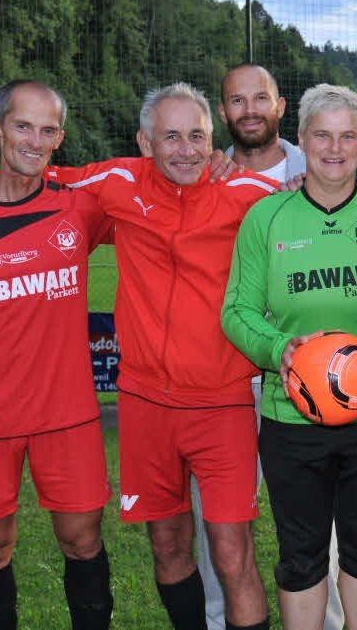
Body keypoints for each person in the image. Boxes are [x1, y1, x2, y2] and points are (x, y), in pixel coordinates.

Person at [221, 83, 357, 630]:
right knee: (300, 556)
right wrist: (277, 349)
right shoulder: (267, 218)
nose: (335, 148)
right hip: (291, 417)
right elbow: (237, 310)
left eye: (348, 136)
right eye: (323, 134)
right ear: (302, 139)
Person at [62, 83, 275, 630]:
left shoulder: (249, 193)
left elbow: (318, 199)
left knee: (232, 553)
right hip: (144, 402)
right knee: (168, 546)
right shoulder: (117, 182)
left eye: (197, 136)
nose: (186, 150)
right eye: (171, 136)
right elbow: (32, 176)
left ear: (214, 140)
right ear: (145, 141)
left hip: (222, 401)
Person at [0, 80, 114, 629]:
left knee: (82, 543)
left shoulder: (79, 208)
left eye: (48, 129)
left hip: (69, 415)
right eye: (23, 125)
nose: (35, 140)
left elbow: (155, 189)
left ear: (60, 138)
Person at [204, 63, 343, 630]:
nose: (250, 110)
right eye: (237, 101)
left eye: (259, 98)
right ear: (223, 113)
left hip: (305, 376)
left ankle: (326, 622)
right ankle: (220, 621)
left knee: (315, 526)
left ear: (281, 105)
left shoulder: (318, 166)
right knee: (220, 529)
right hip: (223, 377)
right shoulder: (201, 172)